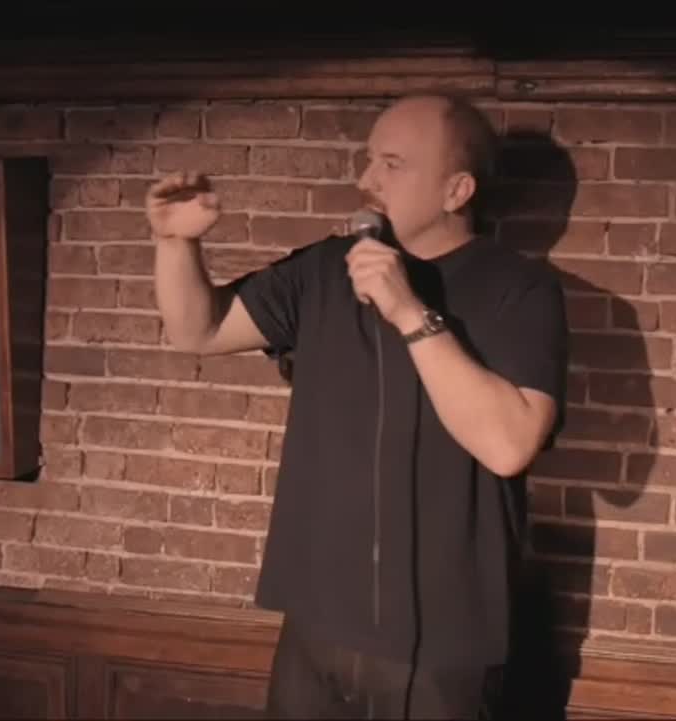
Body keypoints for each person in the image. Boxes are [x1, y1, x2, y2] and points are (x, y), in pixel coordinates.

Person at [147, 94, 570, 719]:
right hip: (317, 624)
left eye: (392, 164)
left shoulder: (520, 289)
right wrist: (175, 245)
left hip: (442, 648)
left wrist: (409, 312)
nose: (366, 180)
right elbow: (197, 331)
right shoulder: (324, 269)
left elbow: (508, 446)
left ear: (456, 190)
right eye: (369, 160)